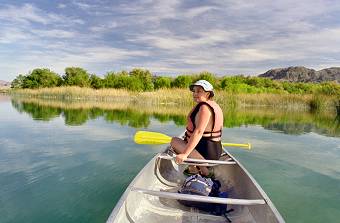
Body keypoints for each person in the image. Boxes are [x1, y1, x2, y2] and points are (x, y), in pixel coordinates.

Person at [170, 80, 223, 176]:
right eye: (194, 91)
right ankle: (193, 167)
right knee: (185, 141)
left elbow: (198, 132)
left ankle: (204, 170)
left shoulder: (204, 108)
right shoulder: (214, 105)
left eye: (199, 91)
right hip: (215, 149)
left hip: (207, 152)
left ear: (208, 93)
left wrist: (185, 154)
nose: (195, 94)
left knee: (174, 141)